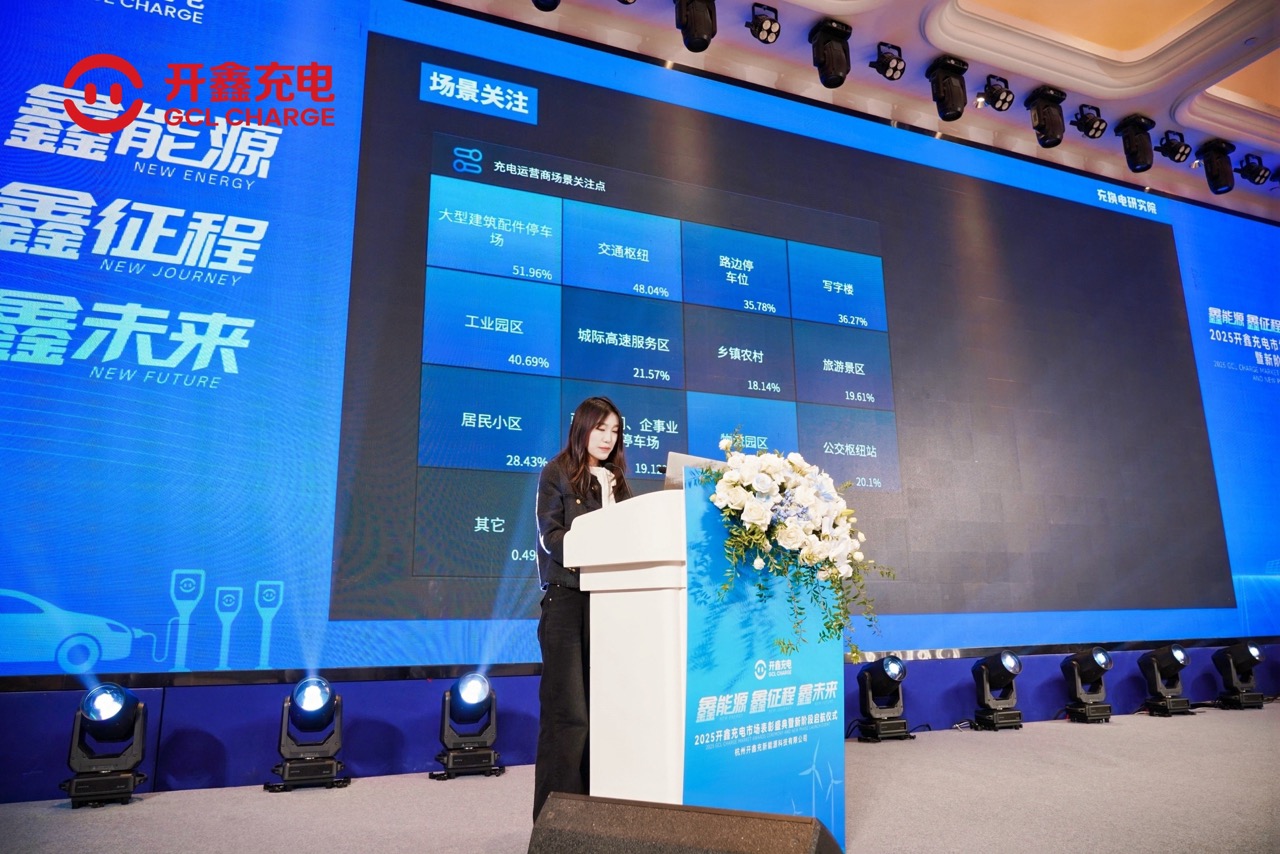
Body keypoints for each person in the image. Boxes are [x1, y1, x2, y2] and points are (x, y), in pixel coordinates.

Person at [532, 395, 632, 822]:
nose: (608, 438)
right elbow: (551, 537)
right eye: (600, 428)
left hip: (611, 604)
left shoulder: (617, 480)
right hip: (568, 601)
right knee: (568, 717)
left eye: (615, 431)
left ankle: (594, 822)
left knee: (605, 716)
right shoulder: (557, 472)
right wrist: (597, 545)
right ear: (582, 428)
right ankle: (556, 828)